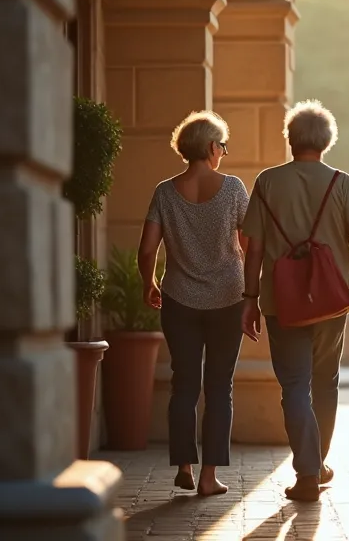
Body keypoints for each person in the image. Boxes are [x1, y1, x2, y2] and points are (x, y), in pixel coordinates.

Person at [240, 100, 349, 502]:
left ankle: (306, 471)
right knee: (325, 382)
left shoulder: (267, 182)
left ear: (290, 138)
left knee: (294, 385)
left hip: (281, 303)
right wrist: (339, 272)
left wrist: (249, 299)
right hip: (330, 304)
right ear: (327, 141)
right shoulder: (341, 182)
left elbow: (253, 249)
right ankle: (318, 464)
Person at [138, 111, 249, 497]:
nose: (224, 152)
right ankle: (208, 477)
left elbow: (147, 247)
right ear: (210, 147)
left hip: (179, 299)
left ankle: (184, 465)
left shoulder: (165, 192)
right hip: (228, 299)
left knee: (183, 385)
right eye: (223, 145)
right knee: (220, 388)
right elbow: (251, 246)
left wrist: (148, 282)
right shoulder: (234, 188)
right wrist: (252, 293)